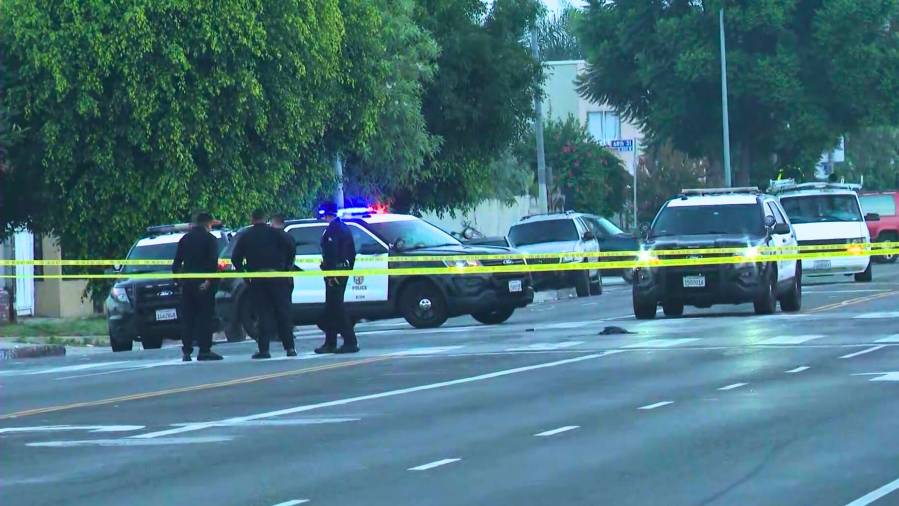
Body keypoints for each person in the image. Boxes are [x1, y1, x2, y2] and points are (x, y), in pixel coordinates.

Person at [231, 209, 297, 359]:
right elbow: (291, 248)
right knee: (283, 312)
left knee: (262, 313)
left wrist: (245, 274)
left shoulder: (246, 236)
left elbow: (236, 258)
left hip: (258, 279)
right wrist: (286, 267)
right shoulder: (277, 234)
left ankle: (264, 349)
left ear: (252, 219)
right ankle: (290, 348)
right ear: (265, 219)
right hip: (277, 276)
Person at [172, 211, 224, 362]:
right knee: (205, 317)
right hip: (203, 284)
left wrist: (180, 283)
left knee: (188, 318)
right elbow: (213, 262)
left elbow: (176, 264)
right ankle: (204, 350)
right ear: (208, 223)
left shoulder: (185, 239)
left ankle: (187, 351)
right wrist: (209, 281)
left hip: (188, 284)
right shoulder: (210, 239)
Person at [315, 202, 359, 354]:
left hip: (336, 272)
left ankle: (350, 341)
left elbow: (332, 252)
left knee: (336, 307)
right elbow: (352, 253)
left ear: (327, 215)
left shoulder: (333, 229)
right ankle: (330, 342)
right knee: (331, 308)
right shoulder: (344, 228)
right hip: (341, 270)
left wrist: (332, 272)